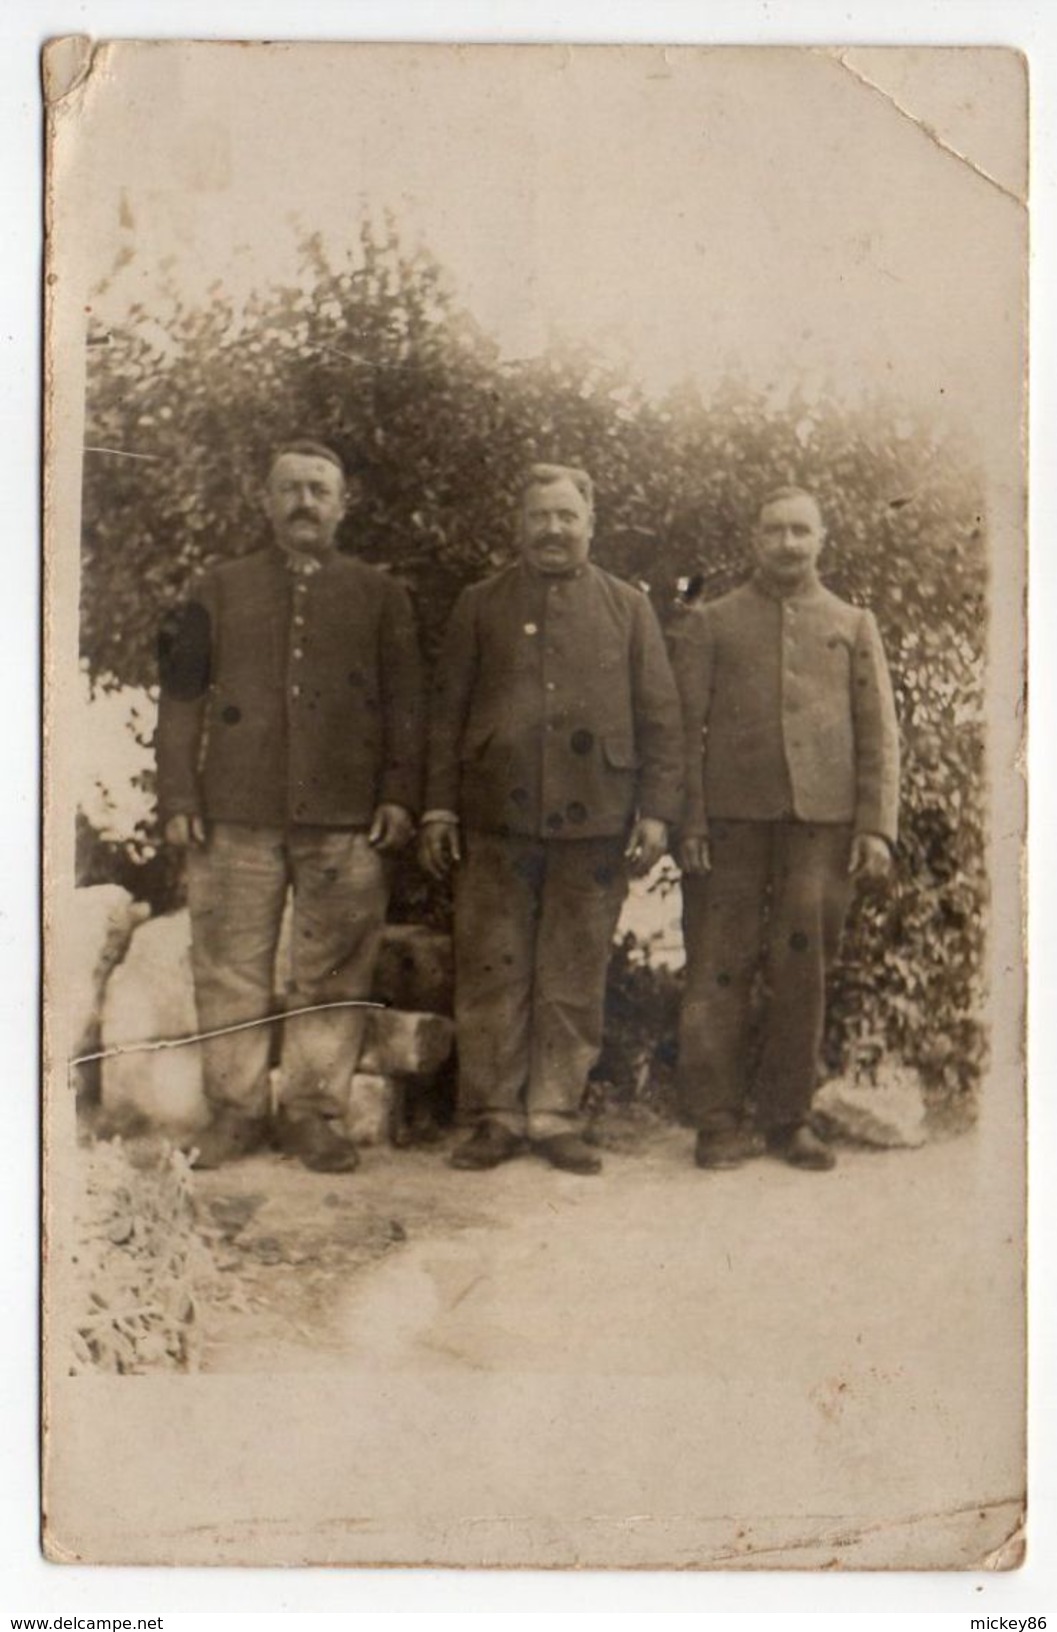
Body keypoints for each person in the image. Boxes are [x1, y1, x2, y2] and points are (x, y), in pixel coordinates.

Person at [156, 440, 423, 1172]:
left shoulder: (380, 596)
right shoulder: (217, 589)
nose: (305, 503)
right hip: (233, 811)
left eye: (319, 490)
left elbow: (408, 708)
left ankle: (312, 1115)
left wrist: (399, 795)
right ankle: (236, 1114)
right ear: (265, 502)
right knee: (228, 967)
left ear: (343, 505)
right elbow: (180, 699)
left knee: (333, 975)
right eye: (291, 490)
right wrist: (178, 794)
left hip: (345, 818)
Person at [420, 462, 684, 1175]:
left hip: (595, 819)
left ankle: (555, 1114)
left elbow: (660, 716)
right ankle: (496, 1115)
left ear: (590, 525)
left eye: (567, 516)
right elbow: (445, 714)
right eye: (540, 516)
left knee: (571, 970)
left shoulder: (628, 608)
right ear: (519, 524)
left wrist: (656, 814)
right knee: (491, 970)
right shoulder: (480, 605)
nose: (553, 529)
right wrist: (439, 805)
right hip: (493, 819)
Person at [669, 485, 899, 1172]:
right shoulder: (711, 622)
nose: (788, 543)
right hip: (730, 826)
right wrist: (692, 820)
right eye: (775, 530)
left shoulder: (852, 623)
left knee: (803, 970)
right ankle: (715, 1119)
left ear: (821, 538)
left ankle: (787, 1118)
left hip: (820, 827)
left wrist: (874, 827)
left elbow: (877, 734)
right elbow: (685, 732)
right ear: (754, 538)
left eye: (801, 531)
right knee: (717, 965)